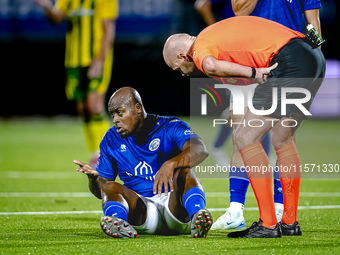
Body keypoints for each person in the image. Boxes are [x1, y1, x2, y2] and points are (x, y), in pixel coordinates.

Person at [163, 16, 325, 237]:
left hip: (289, 60)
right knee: (282, 138)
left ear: (183, 55)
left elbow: (211, 64)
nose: (181, 73)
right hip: (312, 55)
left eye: (177, 67)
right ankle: (289, 223)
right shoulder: (213, 34)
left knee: (244, 138)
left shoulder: (200, 46)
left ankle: (268, 224)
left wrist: (254, 72)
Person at [73, 87, 213, 238]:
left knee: (184, 171)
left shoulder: (170, 126)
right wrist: (94, 180)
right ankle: (118, 222)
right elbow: (103, 191)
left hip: (175, 208)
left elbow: (200, 149)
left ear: (137, 108)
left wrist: (171, 163)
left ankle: (198, 215)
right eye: (112, 115)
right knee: (109, 185)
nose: (115, 120)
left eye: (119, 113)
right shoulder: (111, 139)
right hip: (143, 212)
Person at [194, 0, 277, 231]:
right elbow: (232, 9)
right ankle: (238, 210)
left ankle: (276, 211)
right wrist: (218, 33)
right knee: (244, 129)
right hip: (249, 53)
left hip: (273, 52)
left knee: (270, 132)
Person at [33, 0, 119, 166]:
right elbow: (56, 18)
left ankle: (108, 152)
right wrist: (46, 6)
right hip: (74, 59)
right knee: (83, 109)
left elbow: (108, 28)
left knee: (94, 106)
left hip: (96, 58)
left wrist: (100, 60)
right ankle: (96, 153)